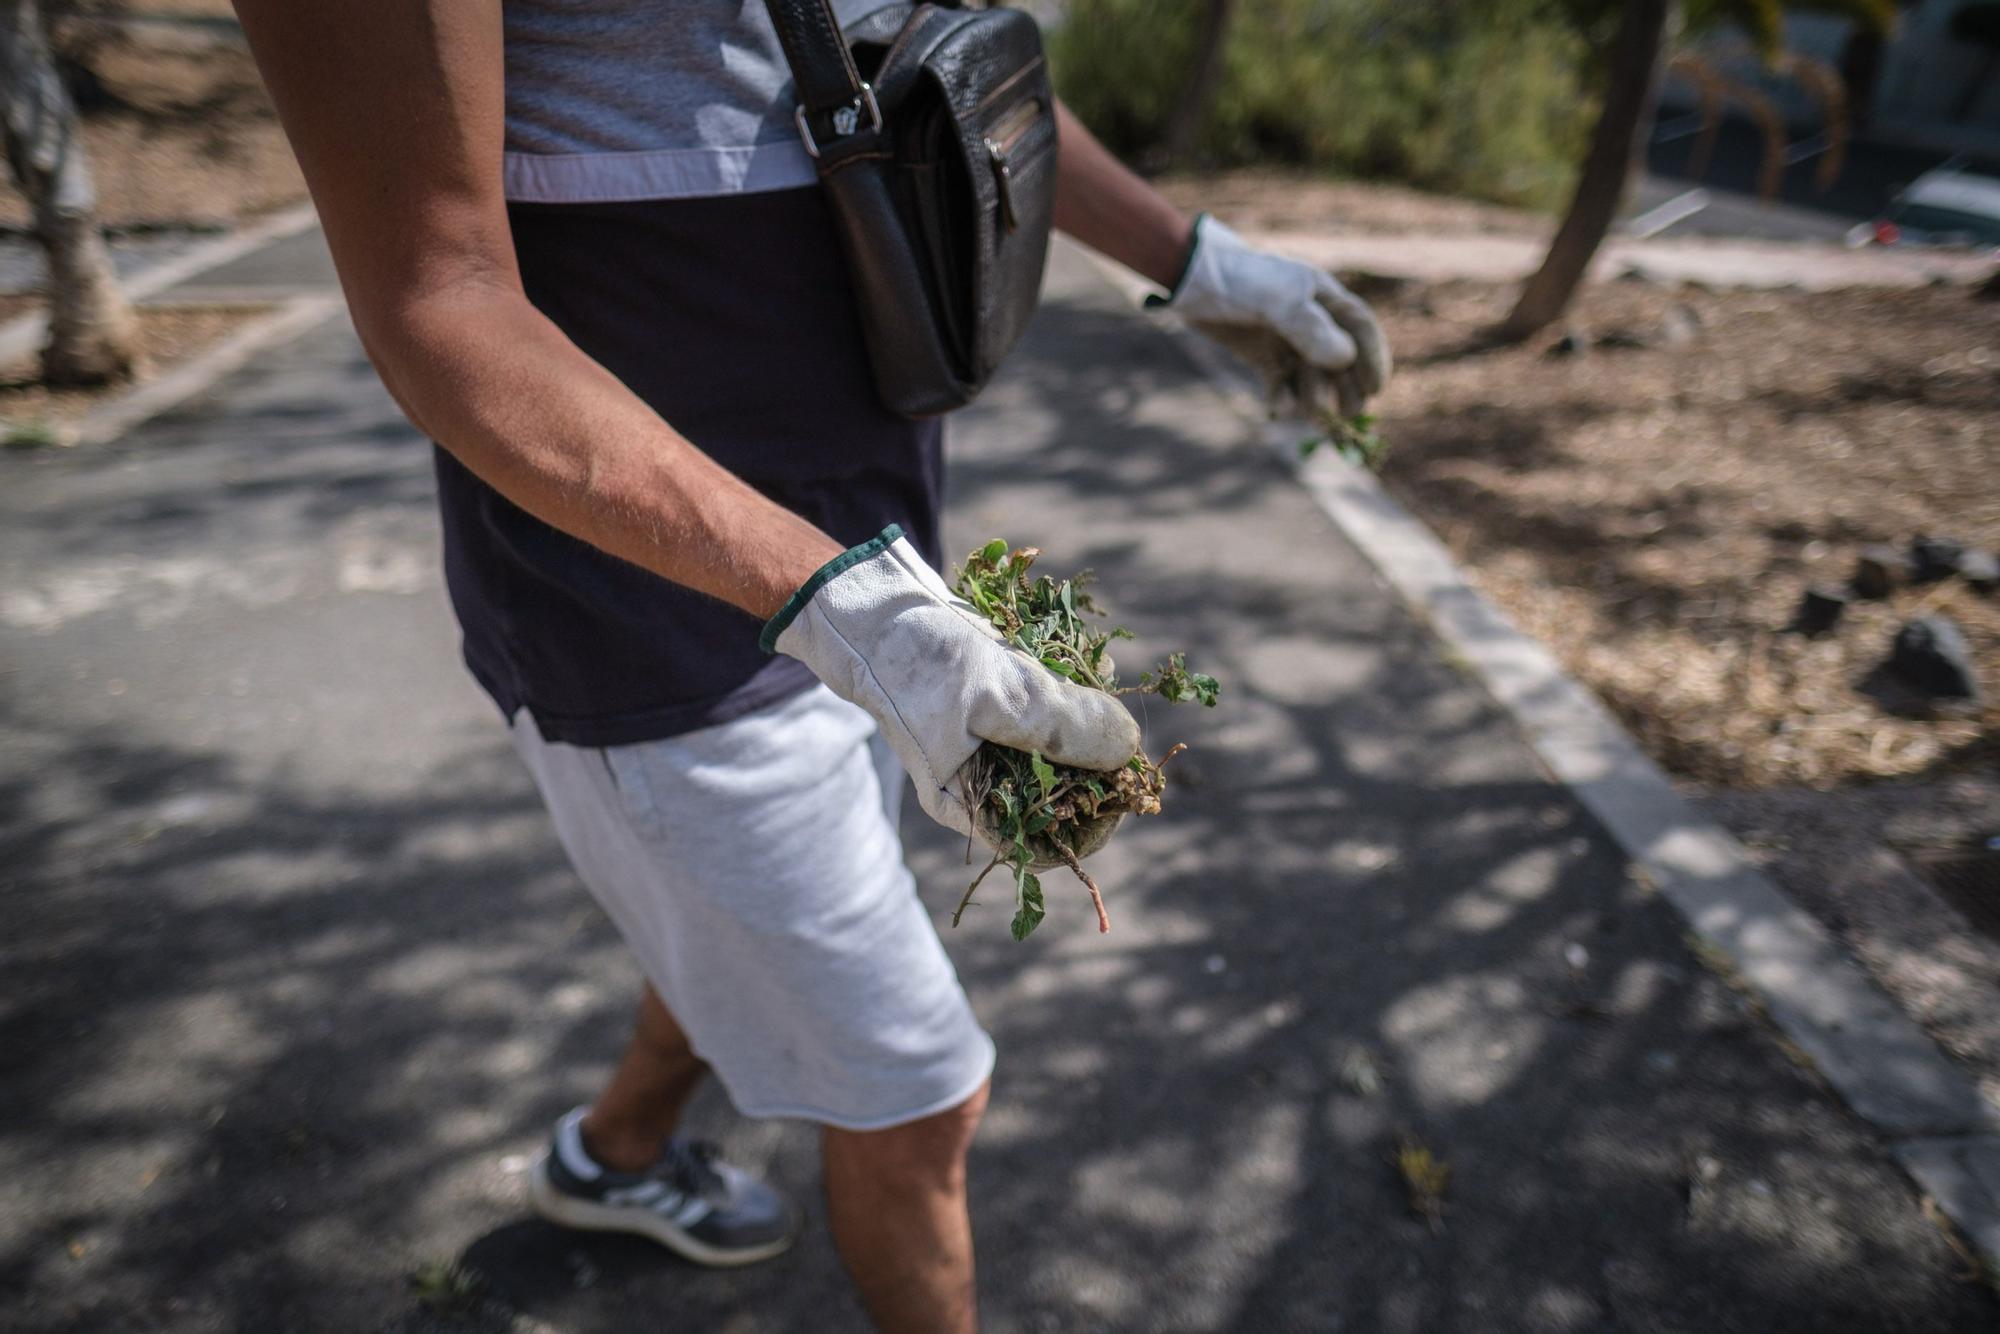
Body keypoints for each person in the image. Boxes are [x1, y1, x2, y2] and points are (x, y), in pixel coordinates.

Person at [232, 2, 1389, 1330]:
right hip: (647, 606)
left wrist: (1199, 264)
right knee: (923, 1092)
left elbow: (923, 67)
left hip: (869, 541)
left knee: (746, 919)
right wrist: (839, 604)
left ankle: (613, 1154)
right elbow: (439, 297)